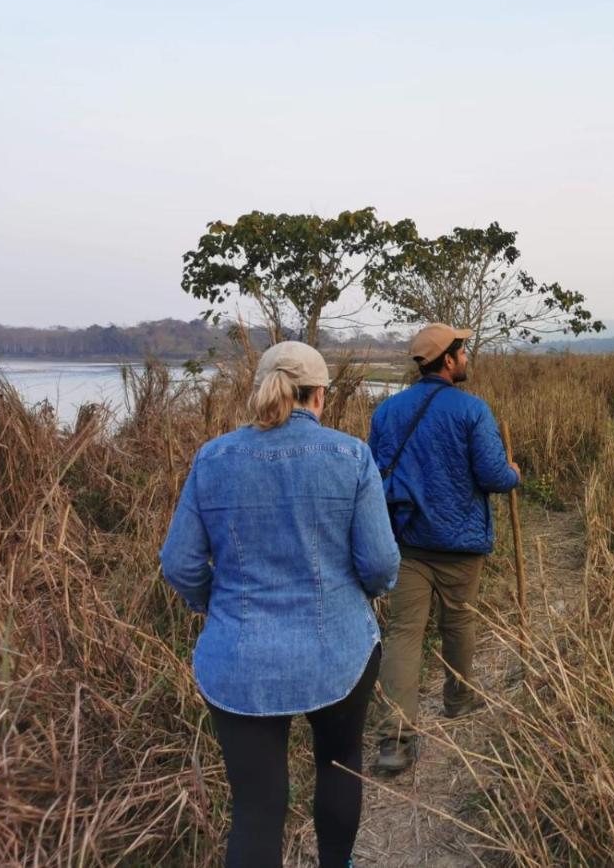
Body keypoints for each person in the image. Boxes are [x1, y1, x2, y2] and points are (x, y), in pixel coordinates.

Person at [160, 341, 399, 868]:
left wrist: (216, 606)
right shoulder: (351, 455)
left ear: (262, 392)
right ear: (318, 396)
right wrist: (363, 596)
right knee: (339, 764)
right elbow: (381, 564)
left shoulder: (213, 458)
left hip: (238, 659)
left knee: (255, 807)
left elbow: (178, 564)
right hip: (339, 650)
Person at [368, 323, 521, 774]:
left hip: (407, 542)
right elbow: (494, 477)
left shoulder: (387, 411)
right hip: (460, 544)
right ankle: (458, 699)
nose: (467, 357)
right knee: (459, 622)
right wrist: (514, 473)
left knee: (403, 635)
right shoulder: (472, 410)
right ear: (449, 361)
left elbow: (375, 473)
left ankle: (394, 742)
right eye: (463, 351)